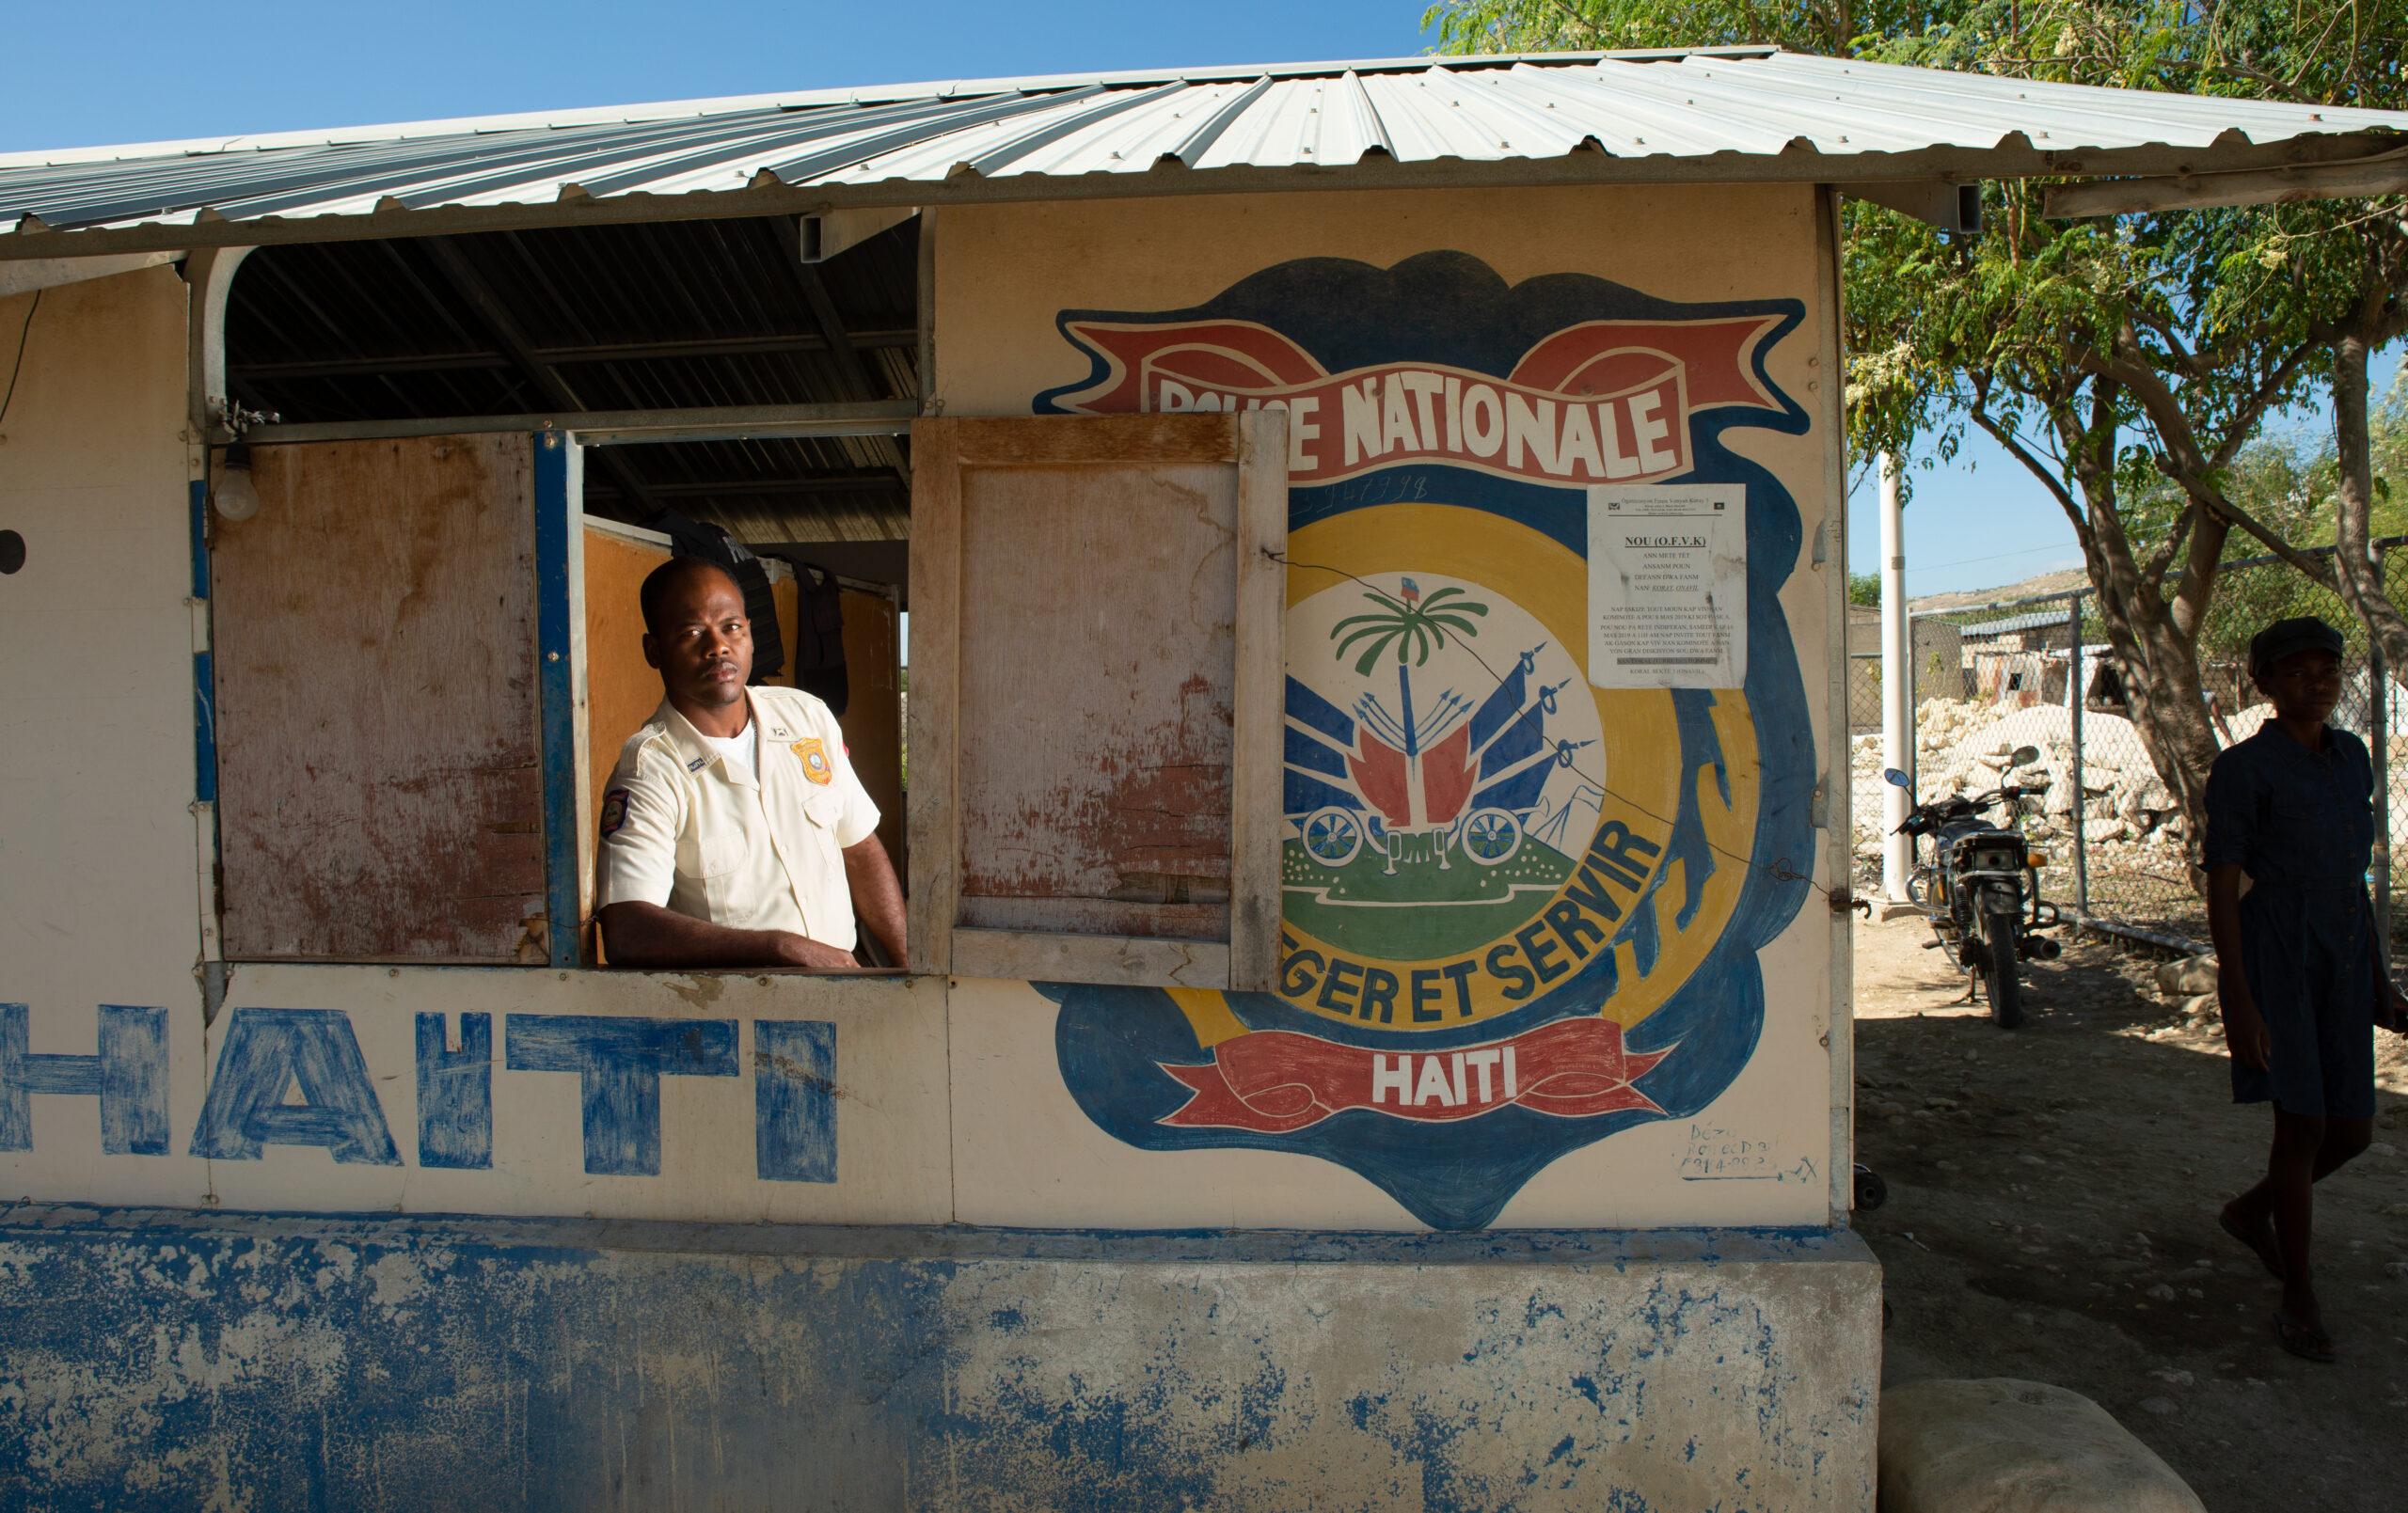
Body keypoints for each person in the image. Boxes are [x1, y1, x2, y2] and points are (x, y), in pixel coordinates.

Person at [2204, 615, 2408, 1362]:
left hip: (2345, 955)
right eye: (2297, 673)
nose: (2316, 684)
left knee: (2352, 1131)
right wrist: (2240, 996)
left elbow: (2352, 878)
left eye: (2328, 671)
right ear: (2263, 684)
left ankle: (2250, 1212)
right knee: (2302, 1127)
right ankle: (2299, 1289)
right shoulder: (2243, 770)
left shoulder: (2351, 757)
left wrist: (2380, 979)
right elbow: (2224, 886)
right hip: (2277, 954)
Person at [595, 558, 905, 971]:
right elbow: (628, 930)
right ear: (654, 651)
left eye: (731, 627)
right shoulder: (651, 769)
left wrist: (910, 967)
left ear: (750, 636)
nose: (717, 646)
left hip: (847, 992)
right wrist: (782, 948)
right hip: (737, 1011)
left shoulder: (806, 718)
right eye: (691, 632)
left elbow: (860, 850)